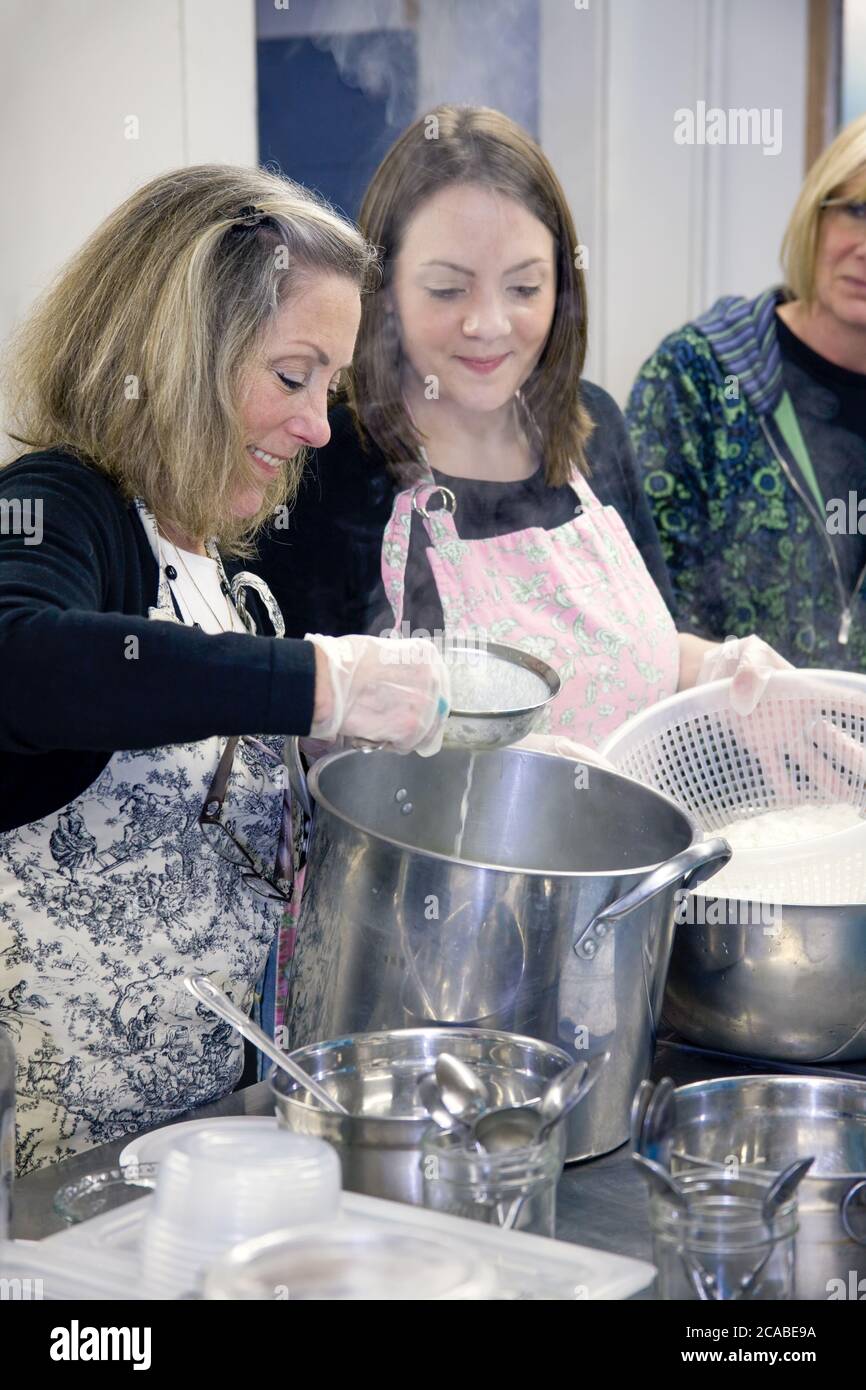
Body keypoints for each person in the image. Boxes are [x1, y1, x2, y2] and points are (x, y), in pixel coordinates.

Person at [0, 164, 449, 1172]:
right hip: (57, 1180)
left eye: (328, 385)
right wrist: (316, 679)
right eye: (292, 377)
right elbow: (21, 661)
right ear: (180, 352)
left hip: (203, 1147)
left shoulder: (221, 573)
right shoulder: (60, 504)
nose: (317, 424)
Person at [253, 105, 787, 750]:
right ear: (385, 287)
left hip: (627, 841)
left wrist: (715, 669)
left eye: (524, 287)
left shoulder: (594, 427)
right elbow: (278, 730)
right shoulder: (325, 456)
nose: (489, 325)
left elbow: (639, 648)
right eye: (449, 290)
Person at [626, 113, 866, 670]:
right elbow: (637, 610)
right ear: (817, 213)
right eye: (857, 210)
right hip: (712, 745)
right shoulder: (697, 377)